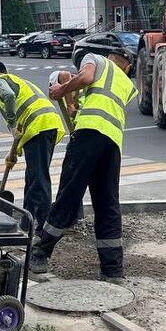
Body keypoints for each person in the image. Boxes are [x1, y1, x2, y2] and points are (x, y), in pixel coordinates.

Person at [32, 43, 136, 281]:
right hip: (113, 144)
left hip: (88, 134)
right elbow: (98, 97)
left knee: (68, 195)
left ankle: (39, 254)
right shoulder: (127, 84)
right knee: (108, 205)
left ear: (109, 56)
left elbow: (86, 76)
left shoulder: (96, 60)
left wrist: (61, 91)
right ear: (128, 67)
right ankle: (113, 271)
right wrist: (73, 103)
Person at [0, 60, 64, 232]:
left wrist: (11, 124)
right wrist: (12, 153)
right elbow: (24, 122)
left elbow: (9, 96)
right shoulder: (17, 80)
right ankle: (26, 223)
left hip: (39, 127)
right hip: (47, 125)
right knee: (33, 177)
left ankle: (45, 228)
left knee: (39, 178)